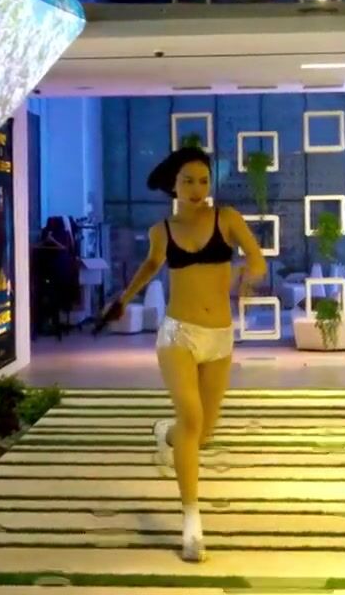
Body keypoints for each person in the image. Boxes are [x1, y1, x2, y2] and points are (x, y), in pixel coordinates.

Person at [98, 146, 267, 562]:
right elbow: (150, 265)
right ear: (174, 184)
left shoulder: (227, 219)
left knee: (202, 433)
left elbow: (257, 258)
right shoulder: (162, 230)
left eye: (203, 181)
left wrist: (250, 273)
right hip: (178, 334)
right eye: (188, 180)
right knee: (192, 418)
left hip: (220, 338)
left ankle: (167, 434)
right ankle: (192, 523)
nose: (196, 188)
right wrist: (123, 299)